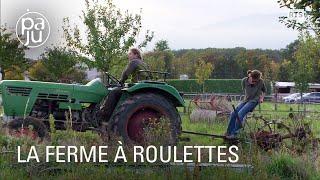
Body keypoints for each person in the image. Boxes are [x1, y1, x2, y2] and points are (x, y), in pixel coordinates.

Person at [98, 48, 150, 121]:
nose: (128, 56)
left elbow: (126, 73)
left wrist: (121, 82)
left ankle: (105, 115)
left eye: (130, 54)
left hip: (137, 86)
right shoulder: (144, 63)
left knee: (113, 92)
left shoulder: (134, 62)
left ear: (136, 55)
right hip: (141, 85)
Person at [225, 70, 266, 139]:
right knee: (233, 114)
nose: (255, 83)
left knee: (240, 114)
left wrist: (261, 98)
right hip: (246, 100)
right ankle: (229, 133)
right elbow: (245, 90)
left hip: (254, 101)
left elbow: (264, 91)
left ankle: (235, 133)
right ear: (249, 77)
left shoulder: (261, 81)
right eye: (253, 81)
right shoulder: (244, 81)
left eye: (256, 81)